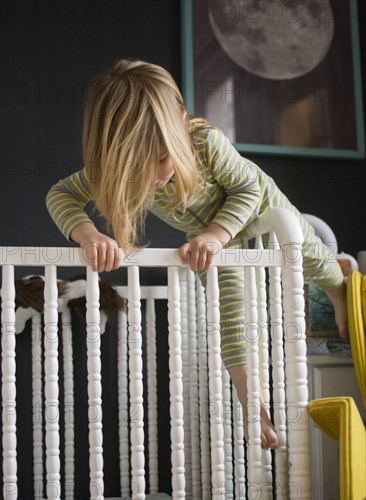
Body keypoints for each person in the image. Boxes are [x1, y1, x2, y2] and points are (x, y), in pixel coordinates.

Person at [46, 58, 348, 449]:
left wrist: (216, 234)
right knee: (230, 317)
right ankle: (253, 407)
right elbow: (61, 194)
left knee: (305, 246)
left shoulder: (204, 141)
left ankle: (337, 286)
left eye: (161, 158)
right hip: (209, 240)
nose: (155, 175)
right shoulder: (106, 169)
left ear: (178, 130)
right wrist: (88, 234)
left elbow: (247, 189)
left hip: (255, 207)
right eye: (138, 168)